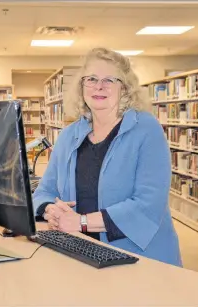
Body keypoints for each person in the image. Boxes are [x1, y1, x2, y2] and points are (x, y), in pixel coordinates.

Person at [32, 47, 182, 267]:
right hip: (80, 253)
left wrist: (81, 222)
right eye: (91, 79)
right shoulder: (68, 135)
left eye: (109, 80)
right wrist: (50, 210)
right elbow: (45, 191)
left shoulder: (147, 129)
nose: (99, 86)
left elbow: (147, 204)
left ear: (125, 88)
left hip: (139, 259)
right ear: (82, 86)